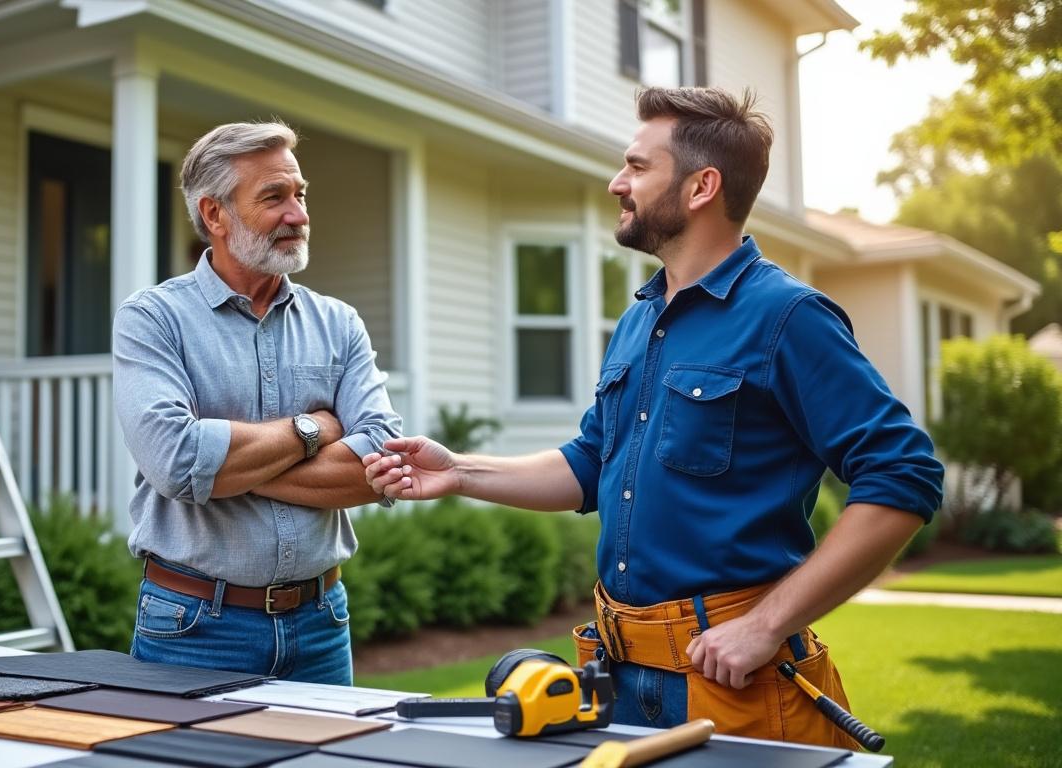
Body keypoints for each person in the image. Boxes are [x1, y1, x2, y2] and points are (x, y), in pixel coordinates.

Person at [364, 87, 942, 746]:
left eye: (637, 167)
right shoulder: (639, 319)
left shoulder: (787, 317)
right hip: (617, 675)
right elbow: (591, 463)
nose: (618, 182)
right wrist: (460, 472)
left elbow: (903, 475)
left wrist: (765, 625)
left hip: (733, 681)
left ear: (701, 187)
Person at [113, 121, 401, 685]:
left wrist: (222, 470)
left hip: (322, 625)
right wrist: (314, 429)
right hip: (194, 627)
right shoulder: (152, 319)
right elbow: (175, 461)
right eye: (274, 197)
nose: (298, 214)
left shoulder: (338, 323)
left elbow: (382, 465)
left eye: (300, 194)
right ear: (214, 215)